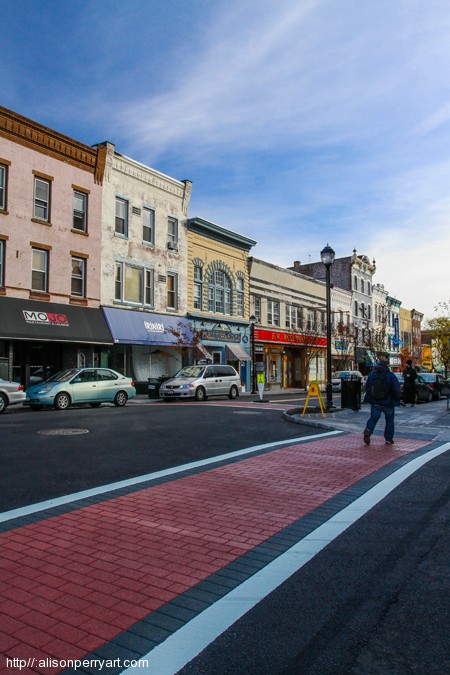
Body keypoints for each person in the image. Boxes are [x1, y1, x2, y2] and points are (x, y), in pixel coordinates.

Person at [363, 356, 401, 445]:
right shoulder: (390, 375)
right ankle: (388, 438)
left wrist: (370, 397)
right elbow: (396, 389)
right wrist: (397, 398)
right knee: (389, 420)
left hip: (375, 401)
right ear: (387, 364)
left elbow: (367, 387)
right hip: (388, 402)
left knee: (373, 418)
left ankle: (368, 429)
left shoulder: (372, 374)